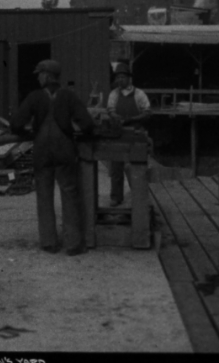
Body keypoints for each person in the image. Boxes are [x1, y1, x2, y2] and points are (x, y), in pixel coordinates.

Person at [10, 59, 94, 256]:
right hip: (64, 150)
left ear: (47, 75)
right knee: (70, 193)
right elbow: (88, 124)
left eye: (40, 74)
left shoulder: (34, 97)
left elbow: (16, 123)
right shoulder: (69, 97)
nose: (38, 77)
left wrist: (28, 130)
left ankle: (49, 242)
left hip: (42, 152)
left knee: (44, 195)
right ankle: (73, 244)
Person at [106, 62, 151, 207]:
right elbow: (111, 110)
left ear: (129, 78)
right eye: (117, 78)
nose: (120, 80)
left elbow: (147, 113)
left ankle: (139, 196)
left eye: (122, 77)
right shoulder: (113, 94)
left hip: (136, 134)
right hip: (119, 134)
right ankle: (116, 197)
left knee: (137, 167)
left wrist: (131, 119)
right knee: (116, 167)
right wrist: (115, 117)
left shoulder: (139, 94)